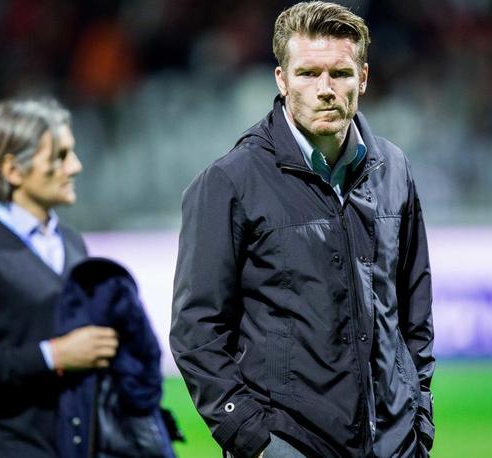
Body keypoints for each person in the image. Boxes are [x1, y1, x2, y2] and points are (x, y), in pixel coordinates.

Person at [170, 2, 435, 457]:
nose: (325, 89)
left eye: (340, 73)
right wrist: (254, 441)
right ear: (282, 79)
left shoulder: (394, 169)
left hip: (395, 445)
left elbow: (415, 310)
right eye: (308, 73)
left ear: (363, 78)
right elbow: (196, 332)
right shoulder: (230, 181)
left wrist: (419, 417)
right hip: (287, 444)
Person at [0, 99, 119, 457]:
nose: (75, 166)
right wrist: (52, 355)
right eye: (59, 156)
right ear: (13, 170)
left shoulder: (72, 243)